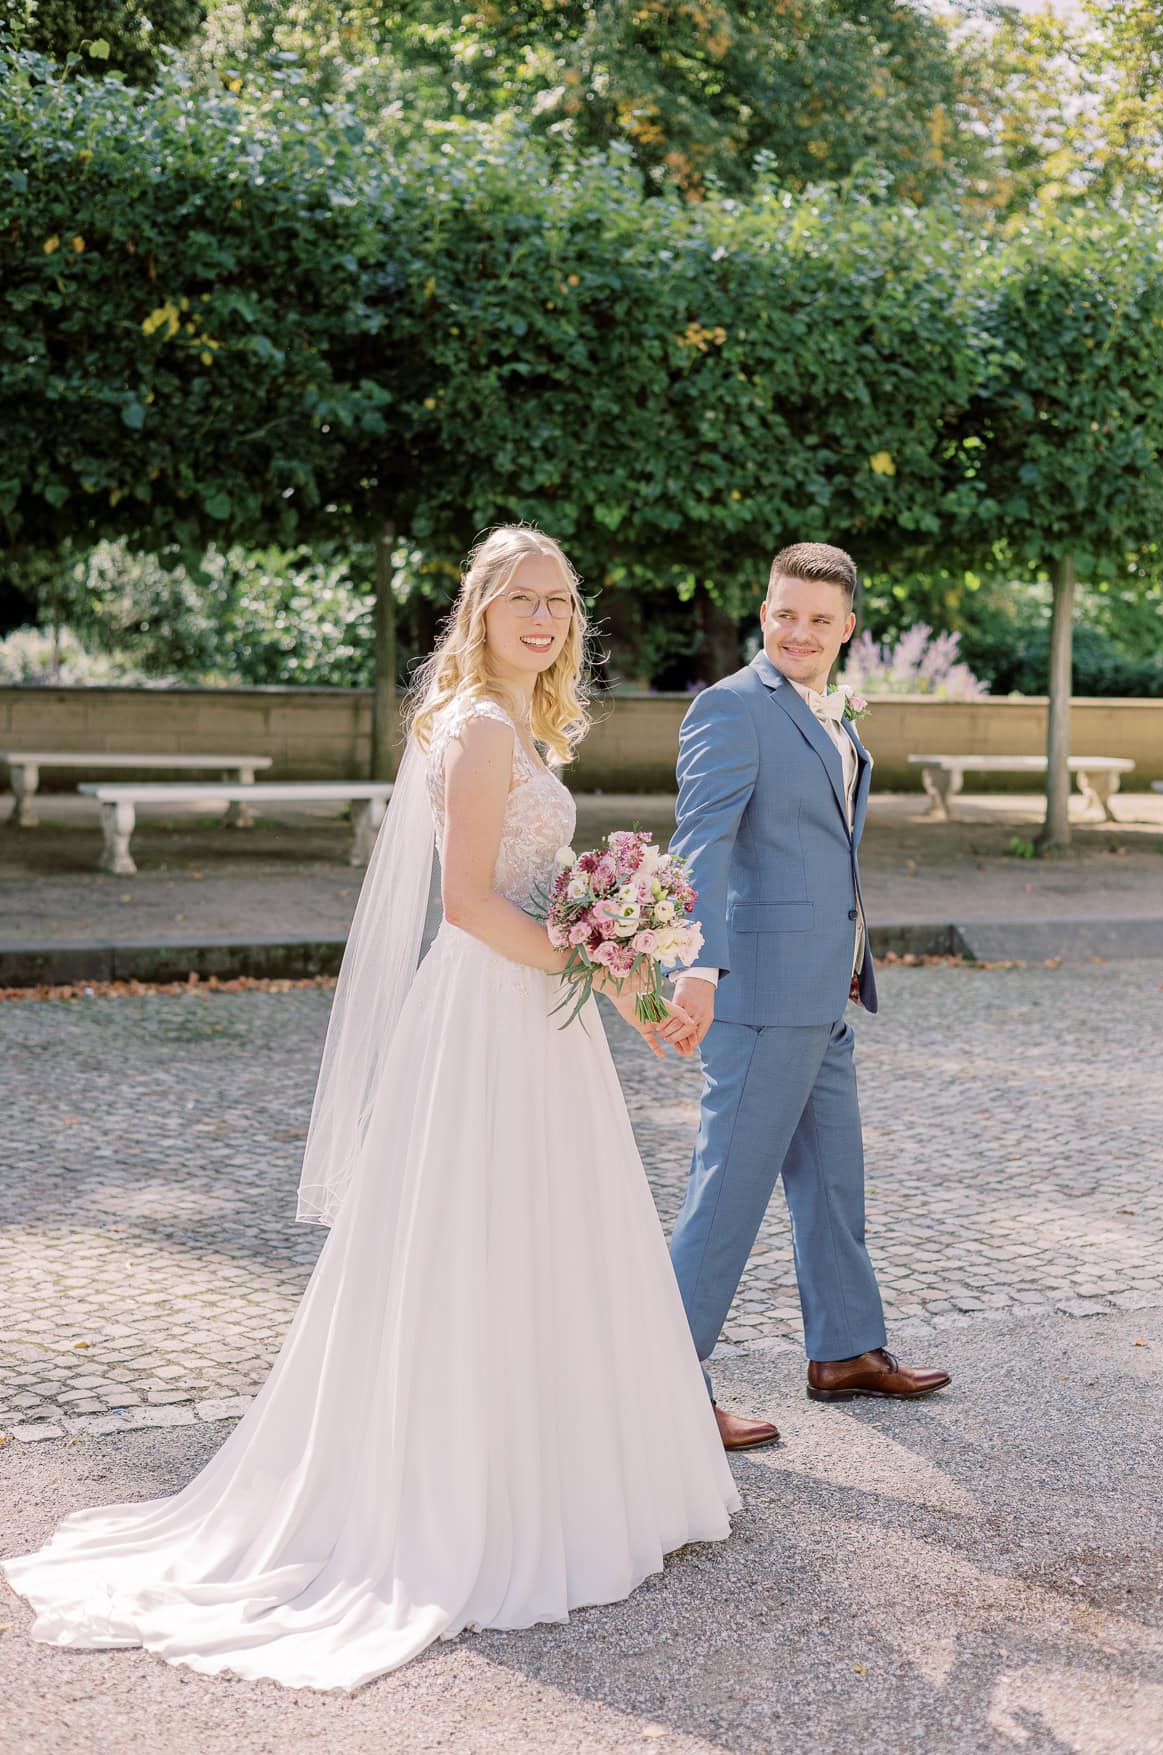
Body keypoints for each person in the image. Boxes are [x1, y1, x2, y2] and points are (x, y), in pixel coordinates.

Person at [3, 526, 739, 1693]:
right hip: (490, 1018)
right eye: (524, 603)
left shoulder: (514, 721)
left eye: (560, 603)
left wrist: (631, 978)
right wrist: (598, 964)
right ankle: (474, 1501)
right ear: (481, 611)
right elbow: (468, 907)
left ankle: (552, 1476)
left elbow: (539, 895)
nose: (546, 622)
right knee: (476, 1242)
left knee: (539, 1242)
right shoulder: (484, 727)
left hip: (532, 1013)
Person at [667, 542, 951, 1450]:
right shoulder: (731, 708)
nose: (800, 631)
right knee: (729, 1194)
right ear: (764, 614)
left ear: (847, 630)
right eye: (785, 613)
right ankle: (662, 1386)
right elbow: (700, 843)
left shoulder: (834, 715)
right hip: (757, 991)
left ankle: (845, 1349)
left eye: (820, 620)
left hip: (828, 985)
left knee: (834, 1180)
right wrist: (696, 966)